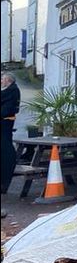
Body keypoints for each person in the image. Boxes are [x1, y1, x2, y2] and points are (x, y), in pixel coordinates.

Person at [1, 72, 20, 217]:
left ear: (8, 80)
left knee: (6, 149)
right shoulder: (10, 90)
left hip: (5, 123)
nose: (1, 81)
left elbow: (6, 108)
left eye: (2, 79)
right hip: (5, 123)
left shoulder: (12, 90)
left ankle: (5, 178)